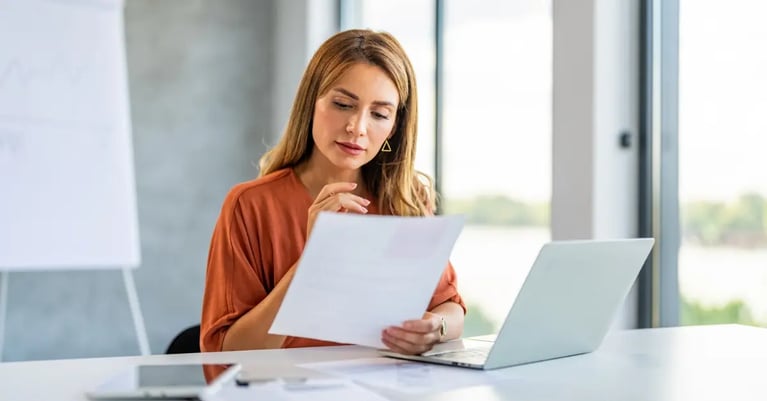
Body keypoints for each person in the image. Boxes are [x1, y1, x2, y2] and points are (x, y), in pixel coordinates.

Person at [200, 29, 465, 356]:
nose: (357, 127)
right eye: (342, 104)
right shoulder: (250, 205)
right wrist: (313, 261)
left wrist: (434, 329)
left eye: (379, 114)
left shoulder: (407, 198)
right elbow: (226, 354)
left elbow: (450, 308)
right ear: (311, 102)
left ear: (394, 127)